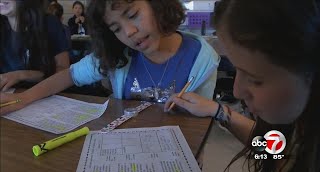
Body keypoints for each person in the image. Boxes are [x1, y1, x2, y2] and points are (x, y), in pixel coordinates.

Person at [164, 0, 320, 172]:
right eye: (237, 68)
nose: (237, 91)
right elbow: (274, 149)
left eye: (255, 80)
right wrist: (219, 111)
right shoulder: (298, 128)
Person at [0, 0, 220, 115]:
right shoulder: (118, 54)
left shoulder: (202, 59)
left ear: (157, 4)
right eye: (115, 28)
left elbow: (201, 121)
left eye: (133, 15)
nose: (129, 32)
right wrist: (26, 98)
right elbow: (69, 75)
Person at [0, 0, 70, 91]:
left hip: (44, 95)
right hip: (6, 95)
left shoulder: (49, 23)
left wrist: (20, 75)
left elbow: (63, 70)